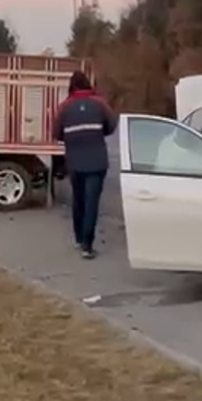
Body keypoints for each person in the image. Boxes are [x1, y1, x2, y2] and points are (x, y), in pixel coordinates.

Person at [52, 70, 117, 259]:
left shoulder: (64, 107)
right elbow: (111, 126)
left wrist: (72, 136)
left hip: (75, 161)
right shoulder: (99, 103)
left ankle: (79, 238)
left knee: (78, 201)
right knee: (92, 203)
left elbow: (56, 133)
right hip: (97, 161)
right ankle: (87, 246)